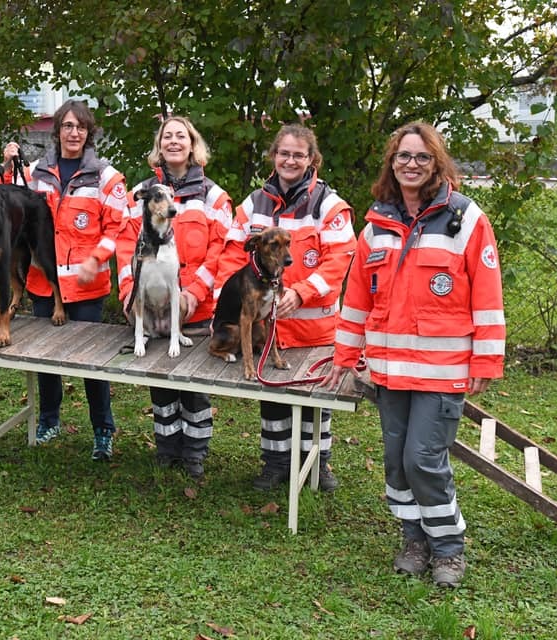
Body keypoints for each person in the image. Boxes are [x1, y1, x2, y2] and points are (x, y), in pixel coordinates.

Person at [323, 122, 505, 588]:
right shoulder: (377, 225)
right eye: (403, 156)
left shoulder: (465, 218)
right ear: (392, 163)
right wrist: (346, 357)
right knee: (396, 461)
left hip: (442, 371)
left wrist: (485, 360)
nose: (411, 164)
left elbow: (487, 294)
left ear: (437, 163)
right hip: (388, 370)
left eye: (422, 157)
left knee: (424, 459)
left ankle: (448, 548)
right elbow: (358, 298)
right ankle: (413, 539)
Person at [215, 123, 355, 492]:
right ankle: (275, 464)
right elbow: (232, 255)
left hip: (314, 329)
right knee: (272, 403)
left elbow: (340, 259)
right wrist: (224, 299)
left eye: (298, 154)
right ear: (274, 157)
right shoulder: (252, 204)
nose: (290, 160)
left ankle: (318, 465)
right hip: (268, 331)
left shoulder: (330, 204)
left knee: (316, 404)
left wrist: (303, 291)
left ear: (312, 160)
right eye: (284, 153)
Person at [3, 100, 127, 461]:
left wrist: (96, 259)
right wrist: (7, 164)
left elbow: (118, 226)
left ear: (89, 133)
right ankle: (48, 420)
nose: (74, 133)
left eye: (81, 127)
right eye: (68, 127)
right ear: (57, 131)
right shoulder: (37, 171)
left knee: (93, 364)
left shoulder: (106, 176)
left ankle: (103, 430)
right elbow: (3, 195)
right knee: (45, 360)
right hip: (45, 285)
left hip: (87, 287)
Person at [115, 116, 233, 479]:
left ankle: (195, 453)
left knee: (194, 387)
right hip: (150, 306)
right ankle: (166, 448)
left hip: (195, 309)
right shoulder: (143, 190)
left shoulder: (212, 194)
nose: (174, 142)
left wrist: (194, 294)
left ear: (192, 143)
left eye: (181, 135)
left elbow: (223, 250)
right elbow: (124, 245)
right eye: (167, 136)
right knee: (161, 381)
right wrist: (127, 292)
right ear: (159, 145)